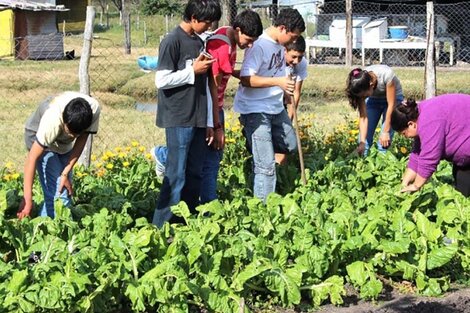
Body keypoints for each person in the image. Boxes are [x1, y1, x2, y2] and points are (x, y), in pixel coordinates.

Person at [150, 10, 263, 204]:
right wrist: (215, 124)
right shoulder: (222, 47)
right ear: (237, 30)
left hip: (210, 109)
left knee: (199, 158)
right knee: (209, 159)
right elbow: (213, 85)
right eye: (248, 39)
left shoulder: (226, 35)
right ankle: (208, 203)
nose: (250, 44)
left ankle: (198, 205)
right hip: (210, 108)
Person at [152, 0, 221, 228]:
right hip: (179, 117)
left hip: (199, 118)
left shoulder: (198, 42)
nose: (210, 27)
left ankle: (186, 224)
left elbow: (206, 87)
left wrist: (210, 122)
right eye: (206, 22)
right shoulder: (172, 41)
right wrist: (191, 70)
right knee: (176, 174)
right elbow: (161, 80)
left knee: (194, 174)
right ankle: (161, 227)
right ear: (193, 18)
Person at [234, 8, 305, 201]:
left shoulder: (279, 46)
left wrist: (285, 88)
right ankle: (263, 211)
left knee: (290, 144)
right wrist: (279, 82)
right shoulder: (259, 46)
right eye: (292, 37)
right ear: (282, 28)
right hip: (256, 109)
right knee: (266, 167)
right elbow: (246, 78)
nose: (292, 42)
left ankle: (257, 153)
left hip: (274, 107)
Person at [17, 91, 101, 219]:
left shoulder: (93, 109)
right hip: (37, 137)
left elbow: (82, 140)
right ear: (64, 121)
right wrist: (27, 199)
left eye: (76, 134)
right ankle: (52, 232)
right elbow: (32, 158)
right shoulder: (52, 121)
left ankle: (45, 227)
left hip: (62, 145)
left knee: (65, 190)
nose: (73, 137)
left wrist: (65, 172)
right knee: (60, 195)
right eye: (70, 132)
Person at [391, 94, 470, 196]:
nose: (405, 137)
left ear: (411, 124)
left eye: (404, 133)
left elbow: (429, 158)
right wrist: (404, 184)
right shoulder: (420, 117)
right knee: (463, 194)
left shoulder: (429, 121)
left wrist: (416, 185)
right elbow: (417, 155)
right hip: (465, 161)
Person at [346, 65, 404, 156]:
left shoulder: (386, 75)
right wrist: (362, 142)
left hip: (394, 100)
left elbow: (391, 105)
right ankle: (363, 163)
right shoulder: (360, 83)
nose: (363, 98)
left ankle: (381, 162)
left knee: (384, 141)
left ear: (371, 85)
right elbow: (363, 117)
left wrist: (385, 131)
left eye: (364, 96)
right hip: (373, 100)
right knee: (363, 140)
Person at [275, 35, 309, 165]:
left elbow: (296, 92)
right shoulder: (275, 58)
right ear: (284, 50)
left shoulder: (301, 63)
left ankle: (282, 173)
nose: (296, 61)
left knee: (283, 140)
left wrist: (288, 119)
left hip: (285, 101)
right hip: (269, 100)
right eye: (293, 57)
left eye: (300, 57)